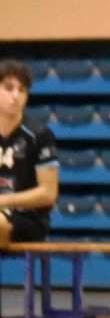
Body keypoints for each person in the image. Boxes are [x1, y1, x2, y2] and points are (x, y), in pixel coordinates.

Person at [0, 61, 59, 246]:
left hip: (28, 218)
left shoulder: (39, 135)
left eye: (22, 90)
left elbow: (49, 193)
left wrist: (4, 201)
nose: (15, 96)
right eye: (8, 88)